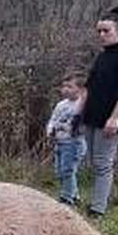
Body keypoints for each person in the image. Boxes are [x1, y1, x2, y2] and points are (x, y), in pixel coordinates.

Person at [81, 6, 118, 220]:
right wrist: (79, 111)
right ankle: (97, 200)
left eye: (106, 31)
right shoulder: (103, 56)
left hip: (111, 121)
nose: (102, 35)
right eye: (99, 31)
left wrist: (115, 118)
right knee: (93, 162)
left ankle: (98, 209)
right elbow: (90, 86)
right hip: (92, 117)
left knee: (103, 164)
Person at [47, 73, 86, 206]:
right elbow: (53, 119)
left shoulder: (81, 105)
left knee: (68, 170)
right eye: (63, 86)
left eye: (70, 86)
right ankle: (74, 195)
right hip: (59, 142)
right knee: (59, 171)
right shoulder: (61, 105)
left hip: (73, 143)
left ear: (80, 89)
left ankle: (66, 198)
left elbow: (82, 125)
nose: (65, 89)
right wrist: (50, 130)